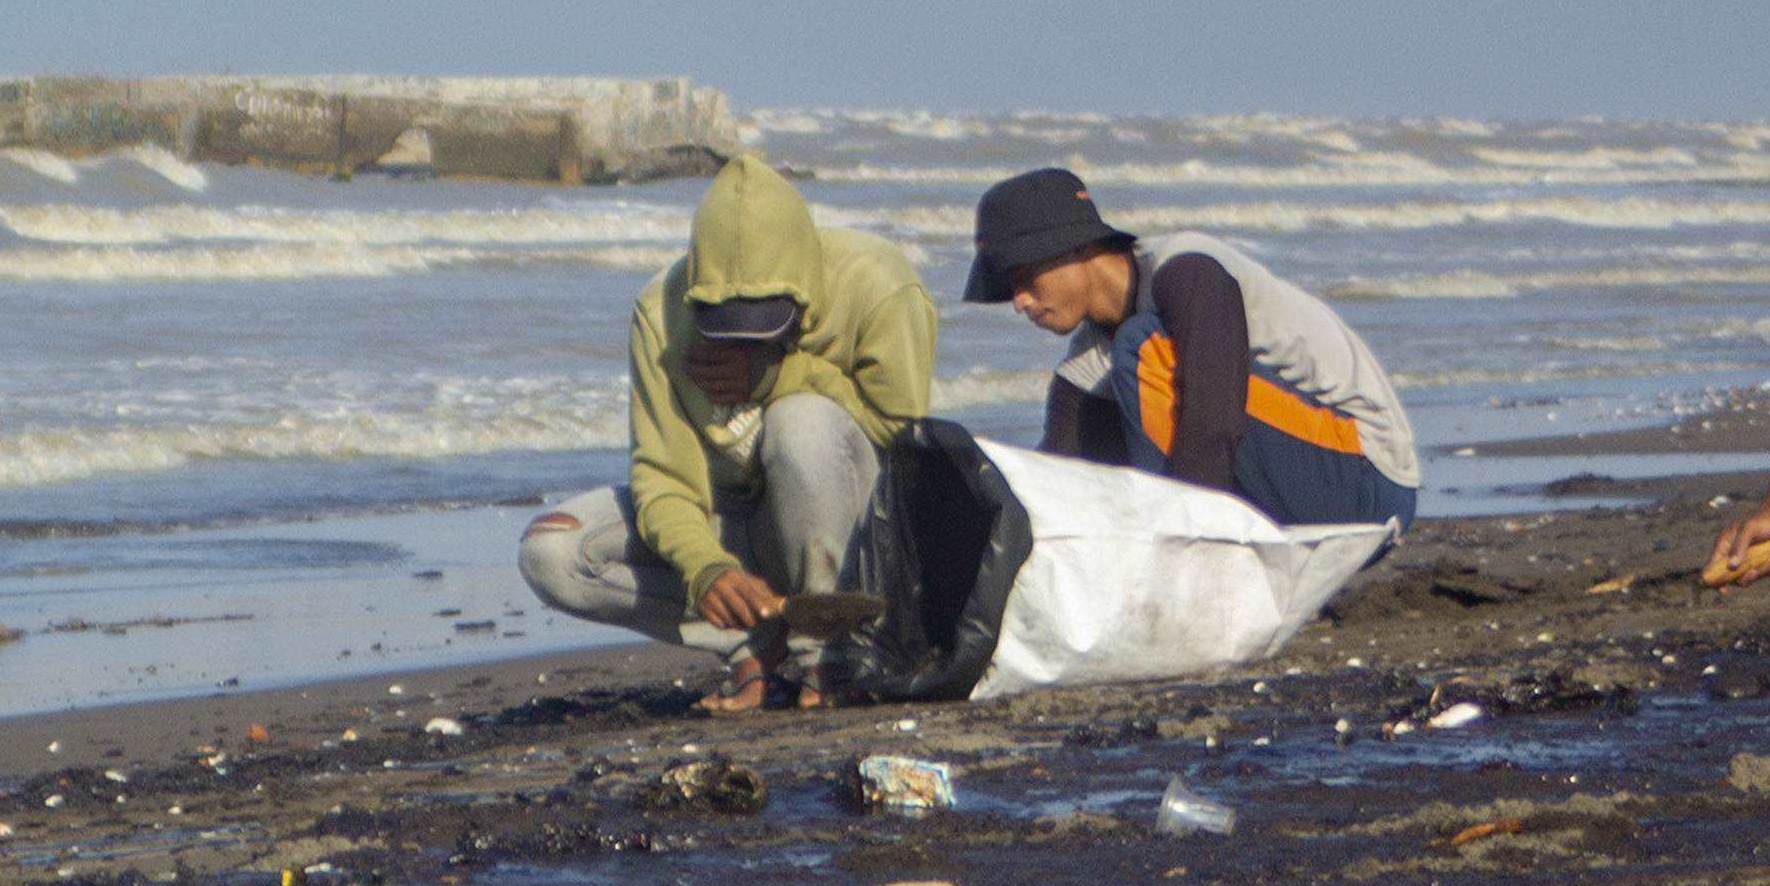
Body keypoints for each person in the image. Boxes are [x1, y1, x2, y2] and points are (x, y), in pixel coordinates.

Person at [518, 152, 935, 711]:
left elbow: (904, 441)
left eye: (765, 322)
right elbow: (664, 478)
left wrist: (783, 375)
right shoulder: (661, 313)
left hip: (854, 540)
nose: (741, 340)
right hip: (736, 528)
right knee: (553, 549)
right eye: (724, 322)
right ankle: (750, 641)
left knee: (800, 422)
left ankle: (831, 656)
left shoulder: (879, 284)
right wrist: (706, 569)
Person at [966, 167, 1417, 530]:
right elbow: (1057, 478)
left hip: (1368, 481)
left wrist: (1175, 547)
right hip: (1294, 482)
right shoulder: (1087, 361)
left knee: (1145, 347)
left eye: (1024, 279)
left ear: (1074, 249)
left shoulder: (1187, 269)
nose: (1020, 302)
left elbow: (1213, 424)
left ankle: (1191, 542)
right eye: (1009, 290)